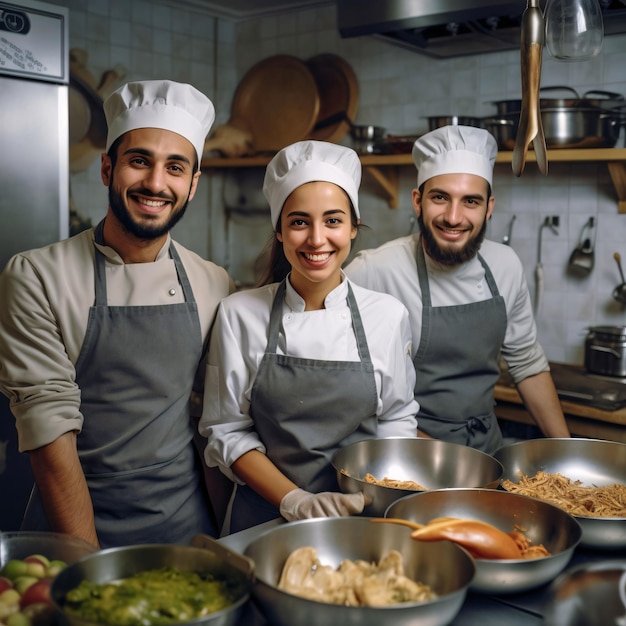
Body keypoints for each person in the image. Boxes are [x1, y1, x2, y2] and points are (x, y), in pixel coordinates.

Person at [0, 80, 234, 548]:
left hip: (187, 531)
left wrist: (226, 539)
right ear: (108, 168)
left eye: (175, 167)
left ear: (192, 185)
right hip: (71, 534)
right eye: (139, 160)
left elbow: (211, 423)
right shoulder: (35, 276)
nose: (155, 183)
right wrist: (89, 570)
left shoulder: (214, 282)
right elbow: (50, 435)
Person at [199, 140, 419, 533]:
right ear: (280, 232)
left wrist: (373, 500)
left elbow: (396, 421)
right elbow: (227, 431)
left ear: (353, 228)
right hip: (261, 519)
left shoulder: (387, 315)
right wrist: (295, 501)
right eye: (299, 222)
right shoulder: (239, 314)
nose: (317, 239)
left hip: (360, 519)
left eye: (333, 221)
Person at [345, 125, 570, 453]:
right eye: (440, 197)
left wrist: (569, 451)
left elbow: (527, 364)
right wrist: (451, 462)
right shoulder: (374, 270)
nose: (453, 217)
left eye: (471, 201)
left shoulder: (505, 266)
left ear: (489, 208)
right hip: (406, 457)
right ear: (417, 201)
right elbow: (336, 380)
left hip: (486, 453)